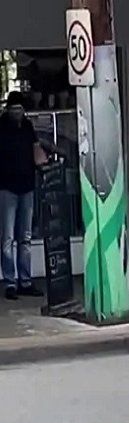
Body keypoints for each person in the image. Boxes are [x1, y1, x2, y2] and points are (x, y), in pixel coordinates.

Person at [0, 91, 47, 300]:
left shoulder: (27, 126)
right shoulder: (1, 127)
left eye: (20, 109)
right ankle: (11, 282)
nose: (17, 113)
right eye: (14, 109)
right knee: (9, 238)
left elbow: (36, 149)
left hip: (27, 186)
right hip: (7, 187)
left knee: (25, 238)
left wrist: (44, 162)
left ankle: (25, 281)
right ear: (8, 109)